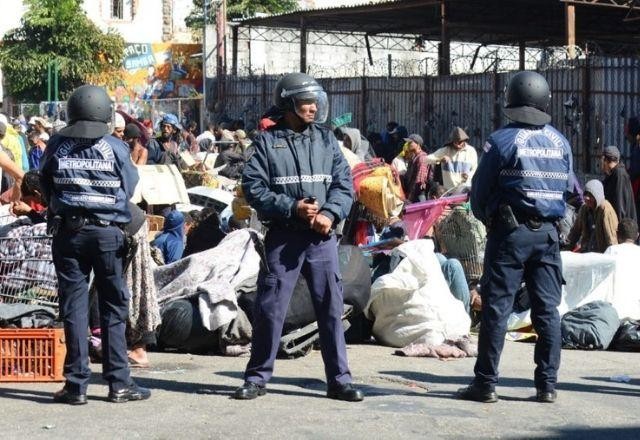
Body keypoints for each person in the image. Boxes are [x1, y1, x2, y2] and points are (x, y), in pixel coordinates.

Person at [235, 72, 363, 402]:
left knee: (331, 309)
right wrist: (292, 208)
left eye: (315, 101)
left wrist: (330, 213)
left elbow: (344, 185)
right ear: (288, 103)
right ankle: (257, 377)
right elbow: (254, 189)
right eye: (306, 102)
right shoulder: (265, 143)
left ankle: (339, 381)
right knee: (271, 308)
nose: (313, 108)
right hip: (284, 239)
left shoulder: (326, 139)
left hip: (322, 241)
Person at [461, 71, 572, 404]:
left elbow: (479, 194)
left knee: (497, 309)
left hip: (510, 235)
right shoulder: (560, 142)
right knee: (547, 312)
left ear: (511, 99)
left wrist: (492, 219)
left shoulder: (501, 141)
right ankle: (547, 386)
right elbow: (569, 190)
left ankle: (485, 384)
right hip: (549, 236)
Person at [40, 84, 150, 405]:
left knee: (73, 308)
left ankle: (76, 386)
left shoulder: (56, 144)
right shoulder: (115, 147)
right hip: (107, 235)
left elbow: (44, 183)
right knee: (112, 308)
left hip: (68, 235)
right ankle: (119, 384)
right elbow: (129, 187)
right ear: (105, 113)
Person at [566, 179, 618, 253]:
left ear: (597, 196)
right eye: (586, 194)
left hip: (601, 253)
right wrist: (566, 249)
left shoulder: (606, 209)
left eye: (590, 195)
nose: (587, 198)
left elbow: (611, 237)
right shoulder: (584, 209)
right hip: (587, 251)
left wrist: (612, 256)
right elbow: (575, 232)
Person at [426, 127, 478, 191]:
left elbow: (475, 169)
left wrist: (468, 176)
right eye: (455, 142)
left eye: (460, 142)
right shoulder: (445, 150)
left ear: (464, 140)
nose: (458, 145)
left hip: (465, 192)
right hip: (448, 192)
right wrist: (439, 160)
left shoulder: (471, 151)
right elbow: (426, 159)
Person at [600, 145, 637, 224]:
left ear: (605, 160)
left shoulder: (619, 175)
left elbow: (620, 205)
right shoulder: (611, 175)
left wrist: (618, 229)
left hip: (622, 227)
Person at [404, 134, 432, 202]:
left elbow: (419, 180)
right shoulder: (414, 157)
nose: (408, 144)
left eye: (411, 142)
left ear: (418, 144)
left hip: (418, 195)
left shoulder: (421, 158)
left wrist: (410, 197)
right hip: (413, 193)